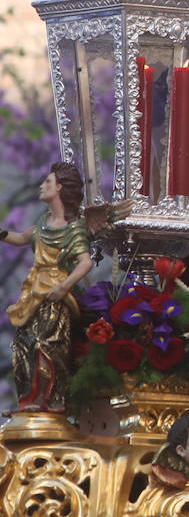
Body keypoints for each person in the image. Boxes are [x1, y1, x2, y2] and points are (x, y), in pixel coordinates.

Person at [2, 162, 93, 412]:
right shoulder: (42, 223)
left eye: (48, 183)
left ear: (60, 188)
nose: (42, 186)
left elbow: (85, 263)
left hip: (55, 296)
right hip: (33, 294)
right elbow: (20, 238)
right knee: (24, 344)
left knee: (48, 345)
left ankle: (53, 399)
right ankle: (30, 399)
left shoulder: (74, 228)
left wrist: (64, 287)